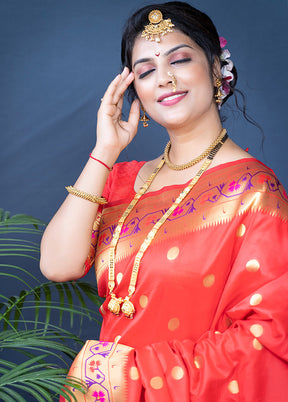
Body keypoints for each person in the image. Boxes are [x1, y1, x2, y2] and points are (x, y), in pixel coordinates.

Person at [40, 2, 288, 401]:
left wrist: (131, 374)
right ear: (133, 88)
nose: (165, 79)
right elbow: (57, 265)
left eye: (181, 59)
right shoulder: (124, 180)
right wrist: (105, 151)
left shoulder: (254, 192)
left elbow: (269, 333)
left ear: (216, 68)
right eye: (146, 70)